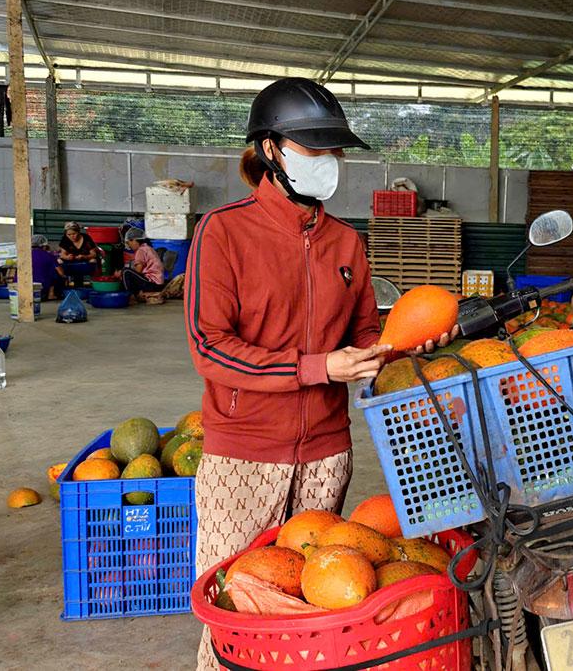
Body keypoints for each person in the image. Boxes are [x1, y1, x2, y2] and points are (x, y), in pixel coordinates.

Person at [184, 77, 453, 670]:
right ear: (271, 149)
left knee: (313, 619)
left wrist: (402, 348)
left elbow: (364, 336)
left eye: (333, 150)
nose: (328, 162)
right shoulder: (222, 232)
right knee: (239, 609)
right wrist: (315, 366)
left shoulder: (346, 242)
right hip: (243, 458)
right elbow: (211, 348)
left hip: (327, 455)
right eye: (313, 149)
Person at [117, 228, 165, 297]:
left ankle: (129, 296)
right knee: (127, 273)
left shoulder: (141, 250)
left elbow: (138, 270)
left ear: (135, 240)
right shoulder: (148, 248)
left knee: (125, 271)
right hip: (158, 283)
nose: (129, 246)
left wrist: (121, 273)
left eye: (129, 243)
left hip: (152, 283)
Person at [56, 221, 101, 288]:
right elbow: (62, 254)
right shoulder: (65, 239)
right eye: (69, 234)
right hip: (72, 262)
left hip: (85, 262)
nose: (71, 236)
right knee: (59, 261)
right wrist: (67, 257)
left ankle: (95, 283)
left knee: (93, 260)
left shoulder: (86, 238)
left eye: (74, 234)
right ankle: (61, 285)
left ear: (78, 232)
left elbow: (93, 254)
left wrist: (84, 256)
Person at [29, 234, 61, 300]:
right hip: (42, 289)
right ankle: (51, 294)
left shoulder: (24, 255)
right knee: (55, 271)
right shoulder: (49, 256)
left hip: (22, 288)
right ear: (44, 245)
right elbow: (61, 273)